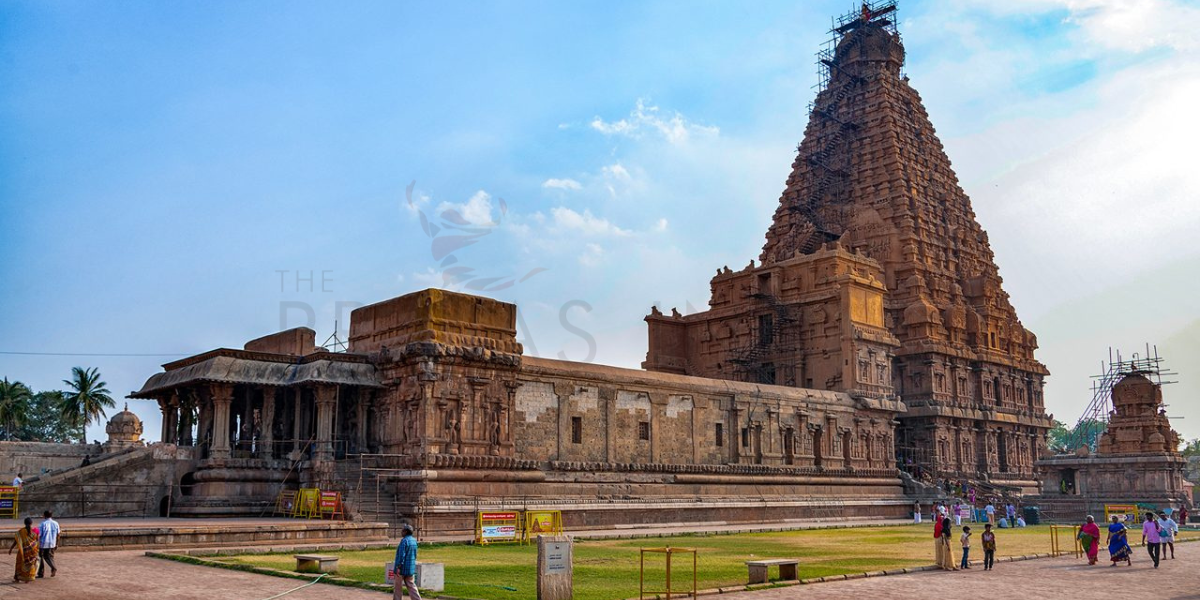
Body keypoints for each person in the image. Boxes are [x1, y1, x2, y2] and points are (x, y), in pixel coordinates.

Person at [393, 523, 421, 600]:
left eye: (402, 530)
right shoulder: (414, 541)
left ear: (405, 532)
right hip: (410, 568)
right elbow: (415, 554)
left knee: (398, 588)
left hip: (401, 569)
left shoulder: (404, 541)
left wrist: (398, 566)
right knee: (412, 586)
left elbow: (401, 555)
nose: (401, 532)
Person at [7, 517, 38, 583]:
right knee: (29, 564)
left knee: (19, 564)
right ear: (31, 523)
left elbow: (16, 541)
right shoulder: (34, 532)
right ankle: (27, 578)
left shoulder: (20, 532)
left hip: (22, 552)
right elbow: (36, 542)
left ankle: (17, 579)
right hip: (32, 552)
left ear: (24, 523)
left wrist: (11, 548)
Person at [37, 510, 58, 578]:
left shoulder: (43, 524)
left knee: (41, 557)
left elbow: (39, 535)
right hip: (52, 543)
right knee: (50, 556)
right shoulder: (56, 523)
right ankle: (52, 567)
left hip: (44, 543)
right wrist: (57, 543)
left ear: (44, 515)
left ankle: (41, 572)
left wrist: (37, 543)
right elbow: (58, 534)